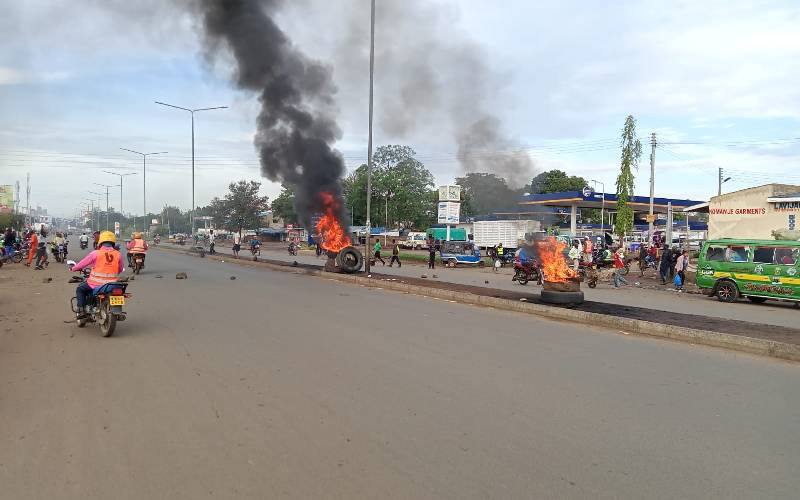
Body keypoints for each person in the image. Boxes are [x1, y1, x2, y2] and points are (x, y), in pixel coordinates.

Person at [70, 230, 124, 319]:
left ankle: (81, 311)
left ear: (101, 242)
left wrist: (73, 268)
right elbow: (120, 269)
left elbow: (82, 264)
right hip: (112, 284)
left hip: (95, 284)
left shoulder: (95, 253)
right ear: (113, 242)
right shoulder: (118, 254)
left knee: (80, 289)